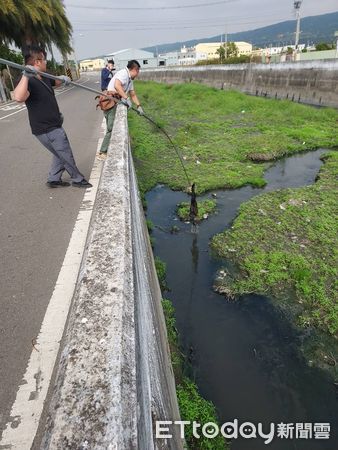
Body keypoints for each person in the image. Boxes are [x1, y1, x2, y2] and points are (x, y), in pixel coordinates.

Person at [13, 45, 92, 188]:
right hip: (46, 128)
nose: (46, 62)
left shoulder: (44, 76)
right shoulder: (27, 79)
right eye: (44, 60)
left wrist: (64, 78)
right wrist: (25, 75)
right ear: (37, 61)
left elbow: (56, 82)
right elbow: (18, 97)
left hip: (53, 124)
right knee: (64, 152)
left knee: (58, 152)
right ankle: (78, 179)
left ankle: (53, 178)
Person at [97, 59, 116, 160]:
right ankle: (103, 151)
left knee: (109, 122)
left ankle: (105, 149)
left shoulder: (110, 72)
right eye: (110, 65)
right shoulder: (104, 70)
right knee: (110, 127)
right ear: (108, 64)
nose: (111, 66)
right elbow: (104, 77)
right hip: (105, 95)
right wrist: (108, 69)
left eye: (112, 65)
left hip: (109, 94)